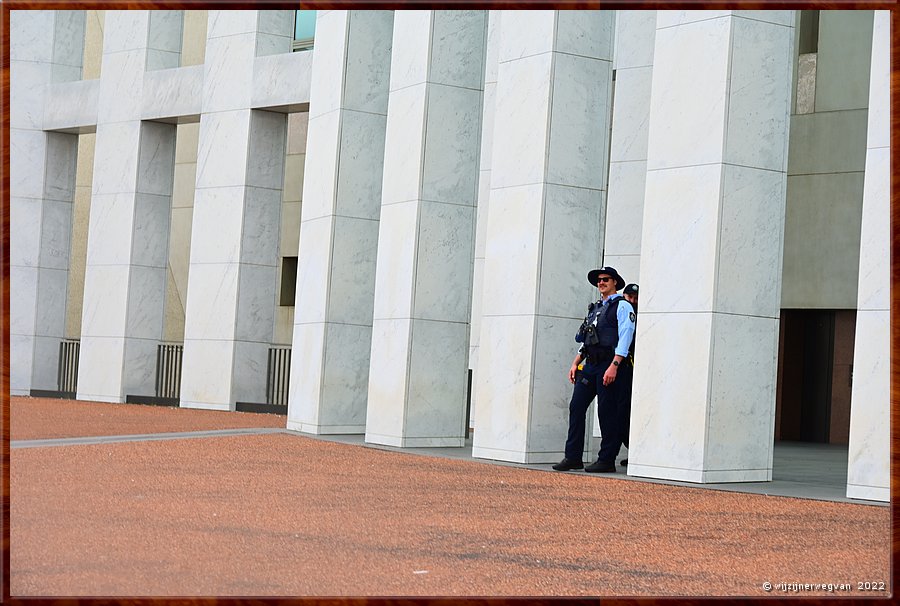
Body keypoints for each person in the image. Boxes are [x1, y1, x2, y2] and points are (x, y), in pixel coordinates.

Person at [553, 267, 635, 473]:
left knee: (607, 412)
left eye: (605, 279)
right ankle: (572, 457)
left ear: (615, 282)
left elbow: (626, 336)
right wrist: (575, 362)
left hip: (610, 364)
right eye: (599, 280)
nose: (601, 283)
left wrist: (615, 365)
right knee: (576, 407)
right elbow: (589, 337)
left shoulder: (623, 306)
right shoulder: (596, 307)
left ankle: (606, 459)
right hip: (590, 365)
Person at [619, 283, 639, 467]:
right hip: (622, 368)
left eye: (635, 298)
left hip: (634, 370)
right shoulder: (620, 312)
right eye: (629, 297)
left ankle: (635, 451)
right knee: (621, 413)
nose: (632, 301)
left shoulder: (641, 317)